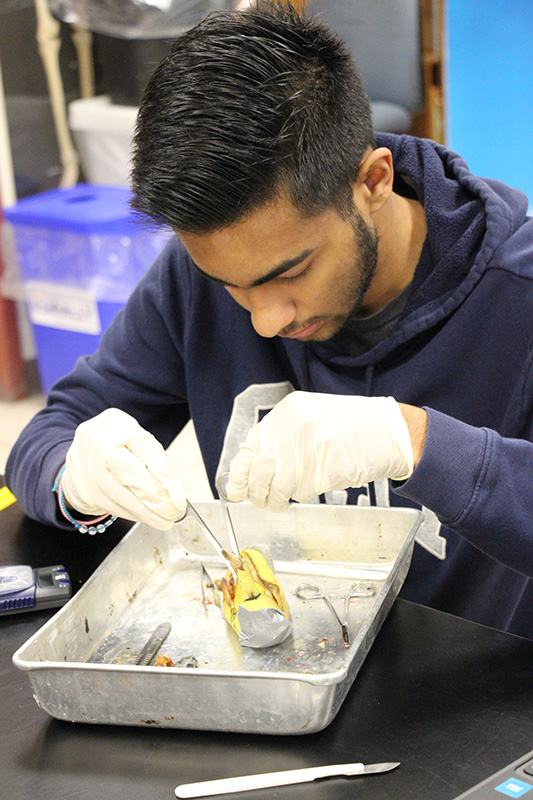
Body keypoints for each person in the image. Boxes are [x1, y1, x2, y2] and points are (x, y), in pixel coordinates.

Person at [6, 1, 533, 639]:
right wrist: (73, 479)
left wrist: (417, 442)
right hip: (277, 669)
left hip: (473, 711)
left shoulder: (517, 294)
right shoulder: (197, 274)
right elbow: (50, 433)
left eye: (290, 272)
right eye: (232, 285)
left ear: (373, 181)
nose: (263, 321)